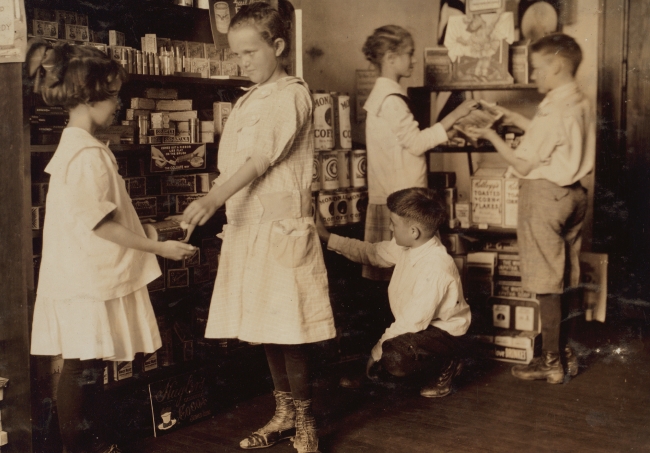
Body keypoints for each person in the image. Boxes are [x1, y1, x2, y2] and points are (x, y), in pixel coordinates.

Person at [26, 41, 196, 453]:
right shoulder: (86, 155)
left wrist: (158, 230)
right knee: (82, 369)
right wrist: (161, 250)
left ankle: (93, 446)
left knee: (88, 368)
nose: (119, 103)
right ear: (89, 97)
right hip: (88, 282)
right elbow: (102, 225)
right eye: (114, 94)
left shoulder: (78, 148)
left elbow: (108, 218)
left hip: (83, 277)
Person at [182, 4, 334, 453]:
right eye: (237, 54)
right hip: (248, 226)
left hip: (281, 229)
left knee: (290, 327)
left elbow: (260, 159)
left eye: (251, 52)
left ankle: (306, 418)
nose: (242, 61)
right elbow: (232, 162)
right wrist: (216, 197)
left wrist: (212, 198)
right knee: (265, 325)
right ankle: (283, 411)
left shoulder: (292, 94)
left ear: (279, 47)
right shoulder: (249, 98)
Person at [466, 33, 595, 384]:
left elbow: (523, 166)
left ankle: (549, 362)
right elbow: (555, 138)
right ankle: (565, 353)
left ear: (557, 65)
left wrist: (490, 135)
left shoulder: (553, 109)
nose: (533, 75)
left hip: (544, 196)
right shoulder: (577, 100)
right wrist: (512, 118)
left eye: (537, 68)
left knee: (545, 283)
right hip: (574, 196)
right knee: (566, 277)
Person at [316, 188, 471, 398]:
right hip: (420, 326)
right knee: (377, 325)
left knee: (396, 356)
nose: (389, 227)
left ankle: (448, 362)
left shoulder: (436, 266)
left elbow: (412, 322)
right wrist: (327, 237)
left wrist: (376, 353)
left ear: (414, 231)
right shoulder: (412, 245)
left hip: (443, 334)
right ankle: (376, 372)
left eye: (393, 223)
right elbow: (372, 252)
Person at [361, 24, 477, 281]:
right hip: (403, 199)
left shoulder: (384, 96)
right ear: (391, 58)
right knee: (411, 276)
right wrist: (455, 116)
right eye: (409, 53)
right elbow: (416, 143)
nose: (414, 59)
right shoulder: (391, 100)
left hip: (390, 194)